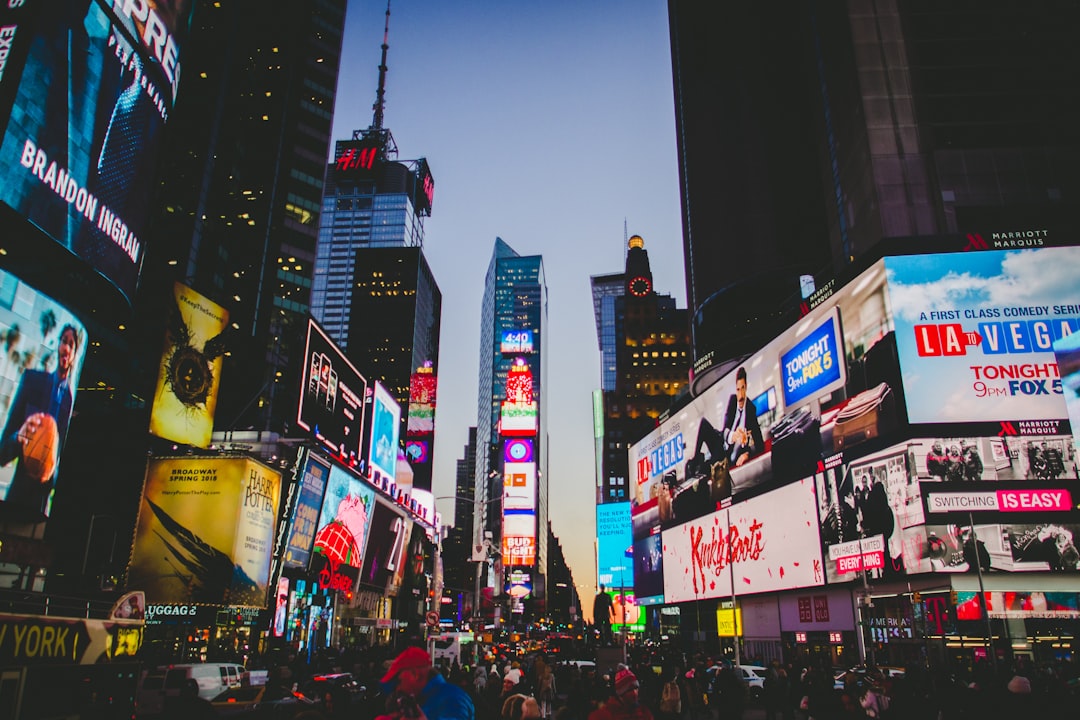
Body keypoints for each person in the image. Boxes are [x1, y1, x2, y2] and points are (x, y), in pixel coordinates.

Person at [0, 323, 79, 518]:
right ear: (58, 345)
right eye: (64, 341)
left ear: (74, 355)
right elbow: (2, 452)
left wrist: (50, 473)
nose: (66, 348)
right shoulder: (32, 380)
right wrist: (19, 437)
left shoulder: (70, 401)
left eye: (71, 344)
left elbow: (61, 464)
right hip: (16, 496)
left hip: (40, 506)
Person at [380, 646, 475, 720]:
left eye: (399, 681)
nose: (398, 688)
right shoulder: (423, 699)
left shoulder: (451, 698)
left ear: (415, 674)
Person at [721, 367, 764, 467]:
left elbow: (760, 444)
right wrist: (733, 436)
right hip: (723, 450)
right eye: (738, 389)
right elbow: (725, 431)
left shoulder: (751, 409)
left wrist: (747, 454)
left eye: (743, 388)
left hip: (735, 456)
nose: (740, 395)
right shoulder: (732, 401)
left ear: (746, 387)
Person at [587, 669, 653, 720]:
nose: (634, 693)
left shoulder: (644, 713)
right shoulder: (601, 716)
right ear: (621, 693)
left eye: (636, 688)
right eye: (629, 690)